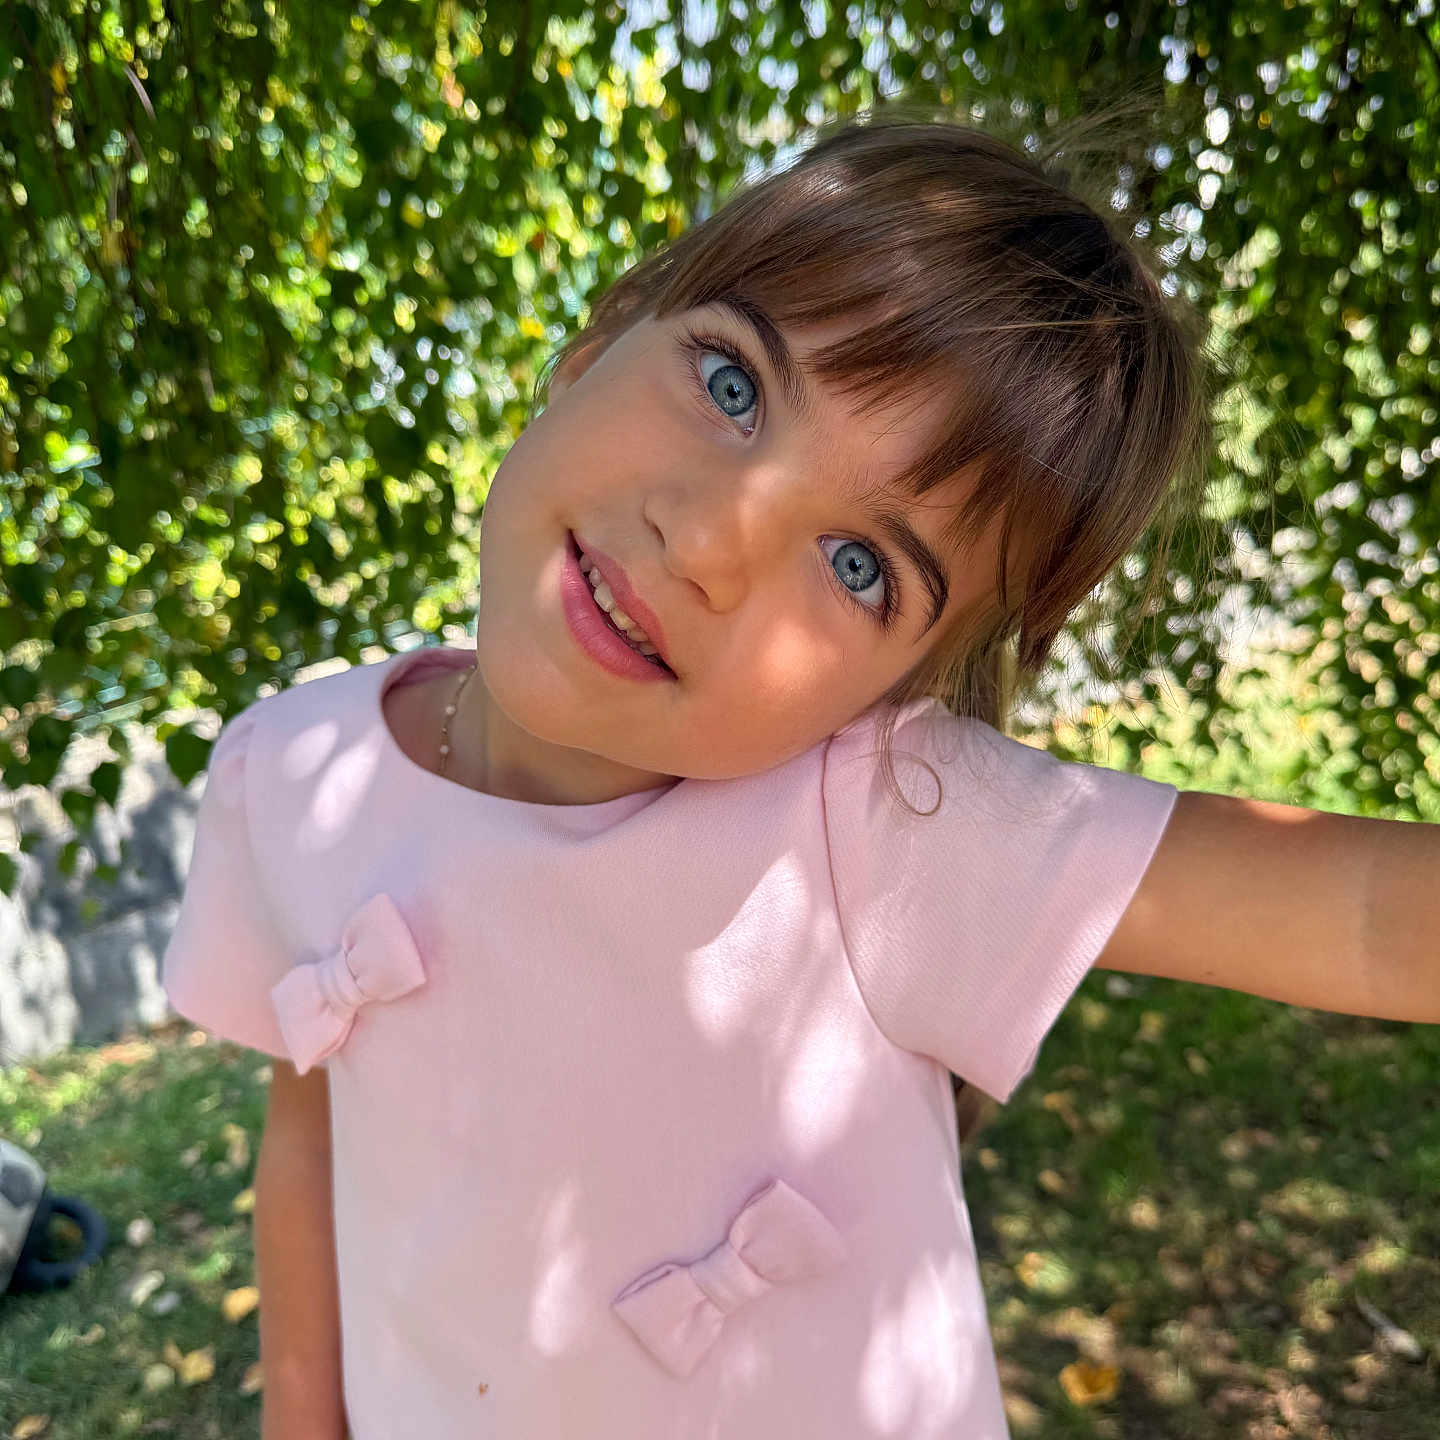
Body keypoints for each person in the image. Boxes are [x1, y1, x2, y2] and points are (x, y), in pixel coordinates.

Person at [160, 110, 1440, 1440]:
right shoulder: (285, 775)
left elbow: (1359, 912)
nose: (710, 539)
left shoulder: (887, 823)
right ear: (596, 341)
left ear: (894, 691)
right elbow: (311, 1135)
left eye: (858, 568)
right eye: (732, 386)